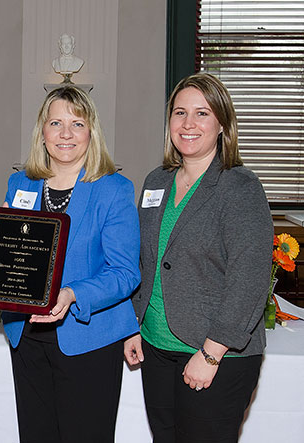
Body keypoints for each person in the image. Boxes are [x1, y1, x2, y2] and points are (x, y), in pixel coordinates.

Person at [0, 85, 141, 442]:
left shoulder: (113, 188)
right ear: (42, 131)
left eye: (77, 124)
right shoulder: (20, 183)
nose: (65, 134)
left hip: (89, 338)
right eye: (56, 123)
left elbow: (126, 272)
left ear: (91, 132)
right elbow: (14, 257)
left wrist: (71, 293)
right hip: (28, 335)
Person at [124, 73, 273, 443]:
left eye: (202, 113)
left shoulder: (240, 187)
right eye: (179, 113)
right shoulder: (156, 182)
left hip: (217, 356)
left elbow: (249, 279)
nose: (188, 124)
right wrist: (134, 324)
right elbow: (147, 261)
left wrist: (210, 354)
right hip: (156, 348)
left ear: (222, 123)